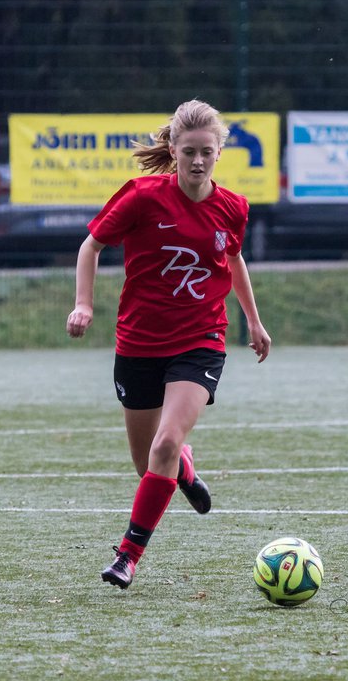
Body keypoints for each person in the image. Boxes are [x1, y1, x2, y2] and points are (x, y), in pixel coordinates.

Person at [65, 99, 272, 589]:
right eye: (188, 152)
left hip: (200, 341)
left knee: (165, 442)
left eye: (207, 152)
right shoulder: (141, 196)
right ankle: (185, 471)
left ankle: (127, 556)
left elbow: (233, 260)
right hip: (138, 343)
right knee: (148, 464)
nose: (197, 161)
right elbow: (90, 245)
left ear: (220, 152)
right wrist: (84, 305)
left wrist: (254, 322)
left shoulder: (233, 207)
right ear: (173, 151)